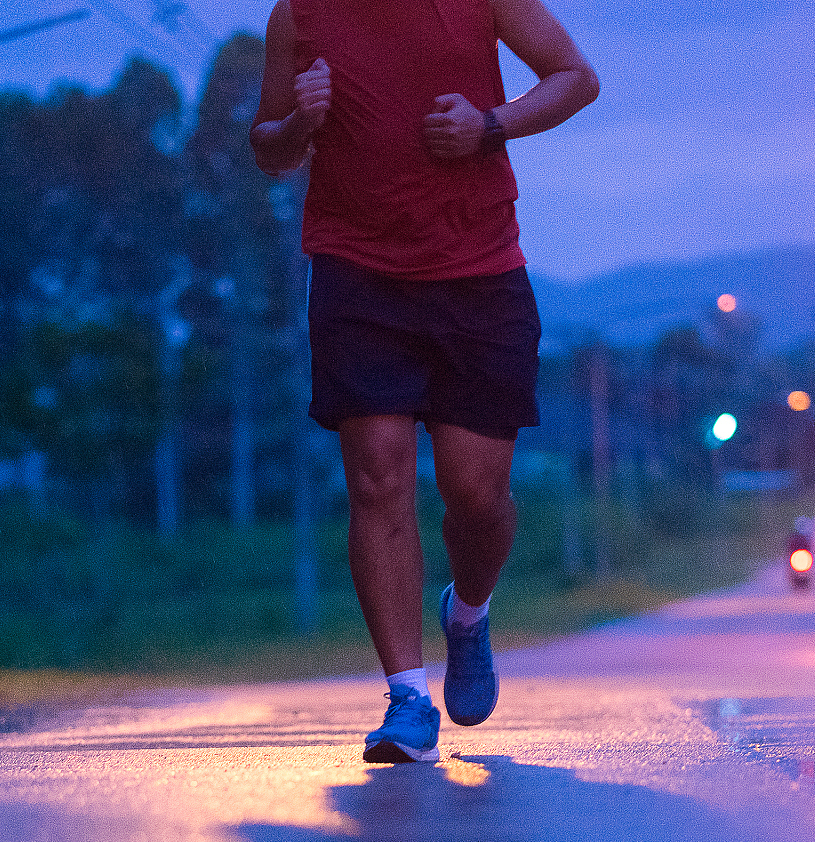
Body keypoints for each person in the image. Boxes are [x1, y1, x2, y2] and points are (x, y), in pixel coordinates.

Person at [250, 0, 598, 763]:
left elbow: (576, 78)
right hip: (357, 272)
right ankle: (407, 697)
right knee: (378, 481)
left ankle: (467, 614)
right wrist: (300, 126)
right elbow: (267, 145)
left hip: (479, 271)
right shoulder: (296, 15)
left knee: (477, 497)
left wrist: (489, 124)